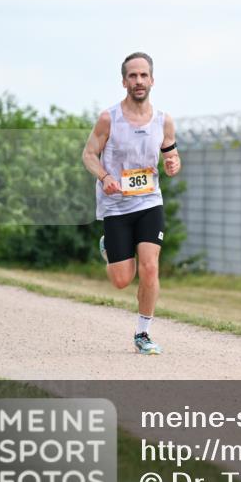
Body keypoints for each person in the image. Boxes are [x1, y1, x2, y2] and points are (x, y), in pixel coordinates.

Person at [82, 52, 181, 354]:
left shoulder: (163, 121)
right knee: (122, 280)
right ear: (124, 81)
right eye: (132, 76)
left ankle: (143, 333)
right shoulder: (108, 119)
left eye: (143, 75)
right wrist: (103, 176)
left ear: (152, 80)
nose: (138, 81)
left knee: (150, 268)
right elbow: (88, 155)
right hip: (116, 206)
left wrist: (173, 162)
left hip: (150, 202)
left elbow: (170, 153)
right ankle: (109, 247)